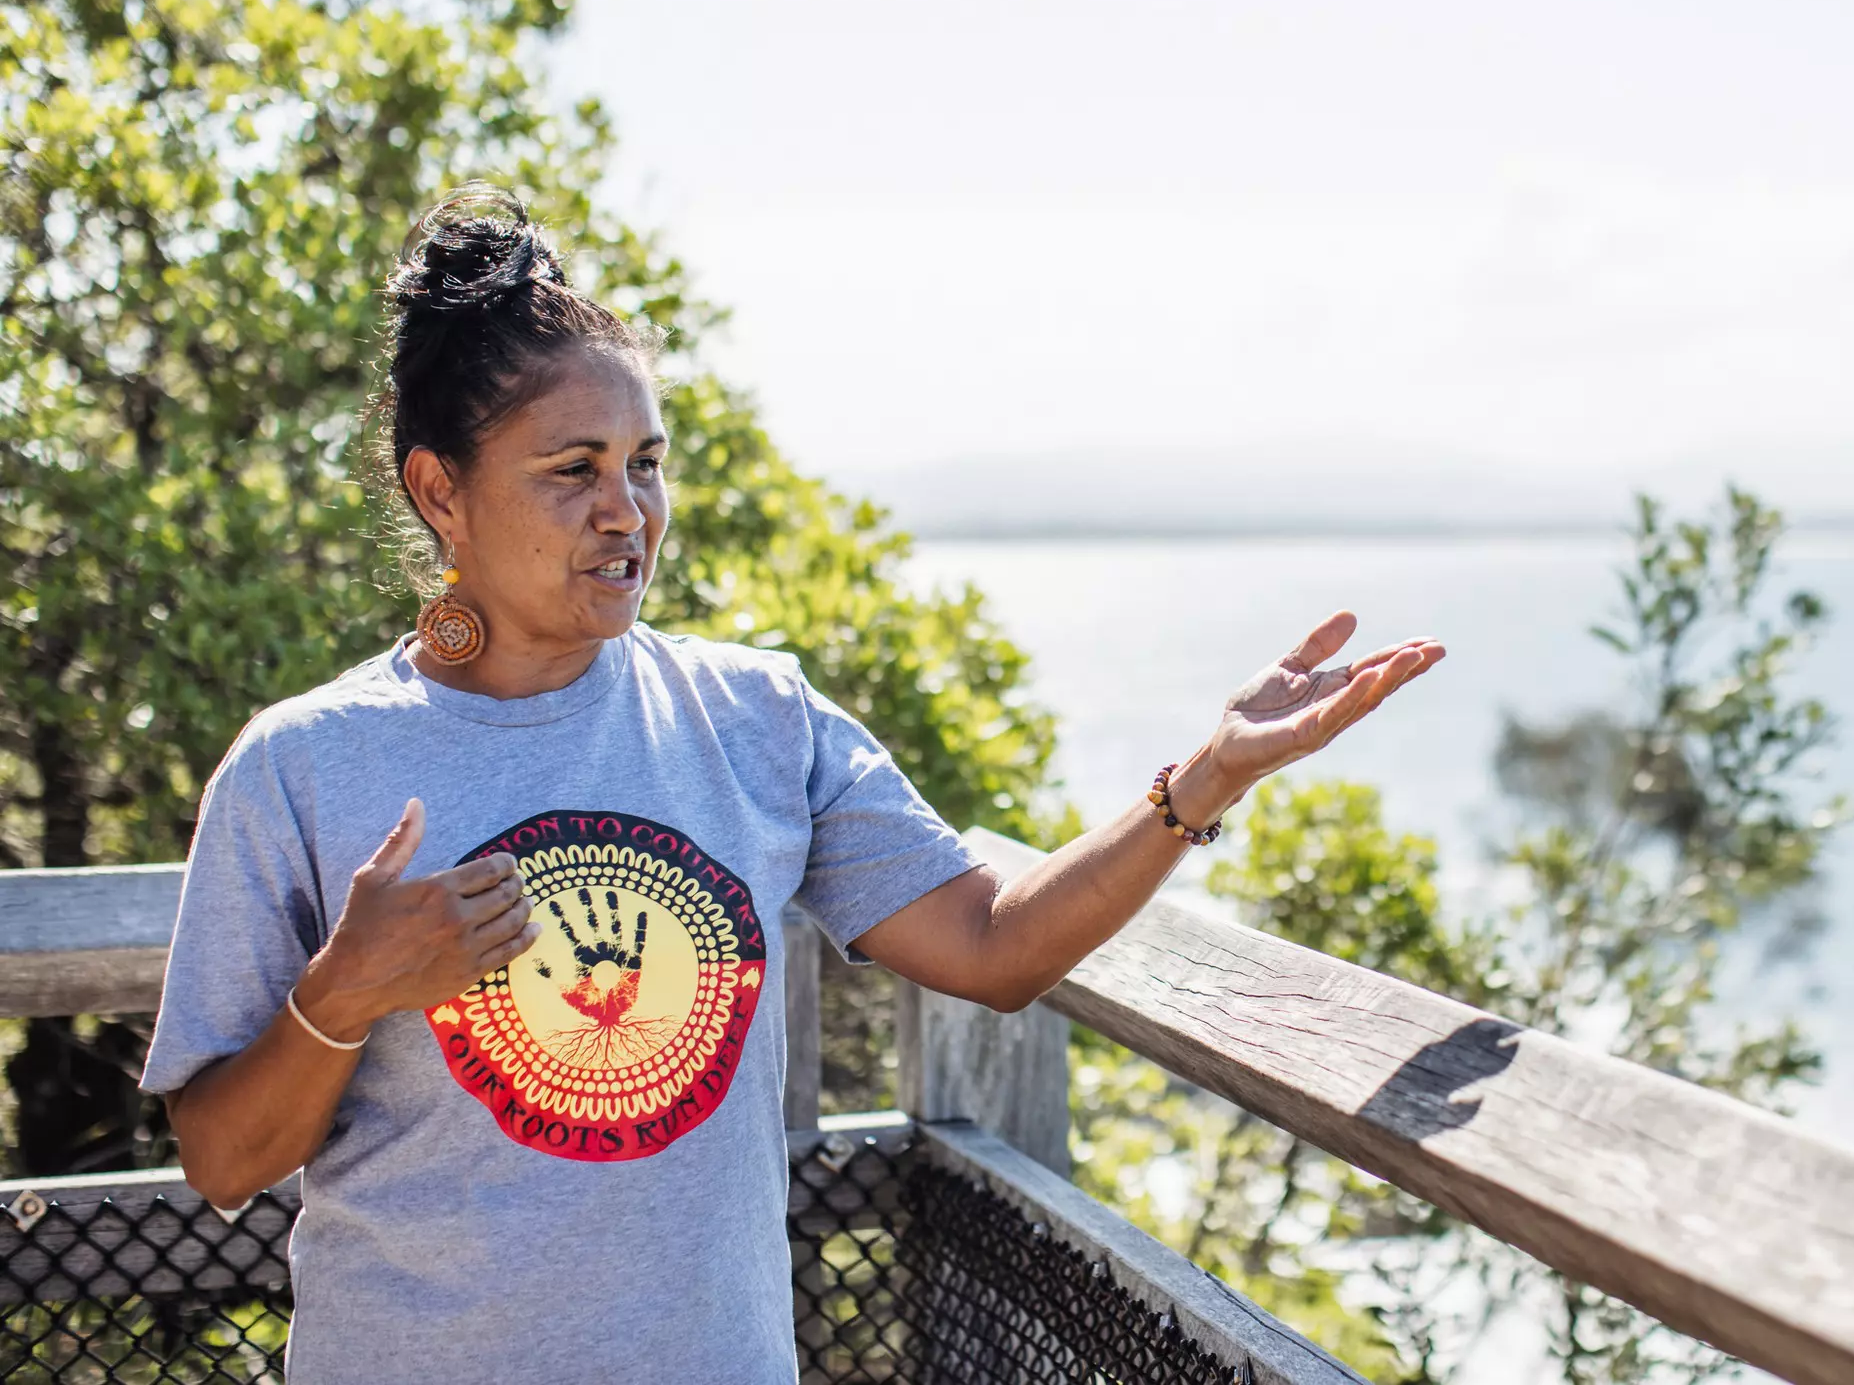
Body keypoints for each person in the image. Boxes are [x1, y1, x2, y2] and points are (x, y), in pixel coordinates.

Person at [141, 185, 1446, 1384]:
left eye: (645, 463)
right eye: (572, 471)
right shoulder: (304, 764)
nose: (628, 513)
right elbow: (223, 1160)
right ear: (440, 492)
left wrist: (1202, 780)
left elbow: (993, 945)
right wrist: (342, 994)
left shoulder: (754, 719)